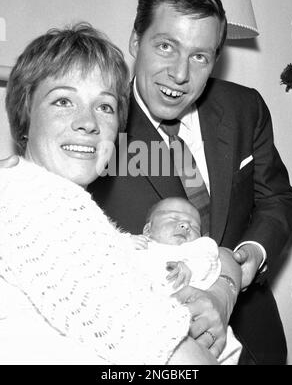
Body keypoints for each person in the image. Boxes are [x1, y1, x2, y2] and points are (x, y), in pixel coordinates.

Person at [86, 0, 292, 364]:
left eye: (199, 55)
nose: (180, 74)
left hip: (252, 342)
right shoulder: (99, 121)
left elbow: (278, 200)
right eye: (166, 46)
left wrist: (245, 262)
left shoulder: (244, 108)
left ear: (216, 58)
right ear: (136, 41)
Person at [0, 23, 218, 365]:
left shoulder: (21, 189)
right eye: (63, 101)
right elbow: (178, 358)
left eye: (104, 106)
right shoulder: (38, 200)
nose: (87, 122)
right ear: (25, 114)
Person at [136, 196, 243, 364]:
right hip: (145, 328)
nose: (185, 225)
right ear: (148, 230)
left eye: (193, 225)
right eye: (173, 218)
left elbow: (210, 261)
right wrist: (127, 242)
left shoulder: (197, 249)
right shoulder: (140, 247)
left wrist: (190, 267)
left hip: (194, 324)